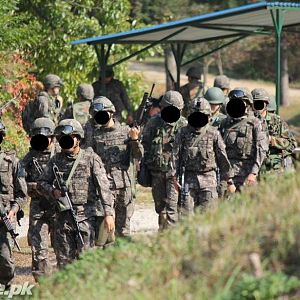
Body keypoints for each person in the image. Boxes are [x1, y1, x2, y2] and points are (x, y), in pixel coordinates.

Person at [37, 119, 114, 268]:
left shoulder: (91, 158)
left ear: (78, 139)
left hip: (86, 217)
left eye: (69, 138)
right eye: (62, 139)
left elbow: (104, 188)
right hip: (62, 219)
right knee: (65, 263)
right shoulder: (55, 161)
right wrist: (53, 192)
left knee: (87, 262)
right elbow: (41, 183)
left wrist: (108, 214)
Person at [84, 97, 143, 237]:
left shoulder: (126, 131)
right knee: (105, 233)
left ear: (111, 113)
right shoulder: (93, 134)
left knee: (123, 231)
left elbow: (138, 155)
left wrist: (134, 140)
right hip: (103, 188)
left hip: (124, 187)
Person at [172, 97, 235, 215]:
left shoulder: (214, 133)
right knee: (186, 217)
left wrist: (229, 181)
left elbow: (222, 158)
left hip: (209, 180)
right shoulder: (183, 133)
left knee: (208, 217)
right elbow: (175, 155)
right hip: (188, 180)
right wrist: (174, 177)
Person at [142, 90, 187, 230]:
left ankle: (171, 240)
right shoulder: (153, 123)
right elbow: (145, 144)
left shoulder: (184, 125)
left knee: (172, 208)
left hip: (175, 174)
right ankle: (163, 234)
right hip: (157, 173)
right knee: (160, 208)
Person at [21, 117, 58, 281]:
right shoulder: (28, 158)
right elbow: (19, 183)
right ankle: (43, 285)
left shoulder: (60, 155)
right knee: (38, 251)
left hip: (59, 208)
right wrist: (35, 187)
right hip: (38, 208)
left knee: (64, 249)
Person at [219, 88, 269, 192]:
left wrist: (253, 173)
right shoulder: (225, 123)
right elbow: (219, 150)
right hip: (227, 176)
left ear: (247, 105)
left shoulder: (255, 123)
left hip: (247, 175)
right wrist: (227, 178)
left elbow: (261, 150)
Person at [0, 121, 28, 289]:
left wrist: (13, 210)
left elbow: (21, 194)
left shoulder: (12, 161)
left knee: (5, 259)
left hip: (4, 219)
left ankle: (8, 286)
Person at [252, 88, 297, 174]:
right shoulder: (247, 121)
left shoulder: (276, 121)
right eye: (255, 103)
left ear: (266, 104)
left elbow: (292, 144)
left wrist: (271, 140)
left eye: (260, 103)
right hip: (252, 169)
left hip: (273, 170)